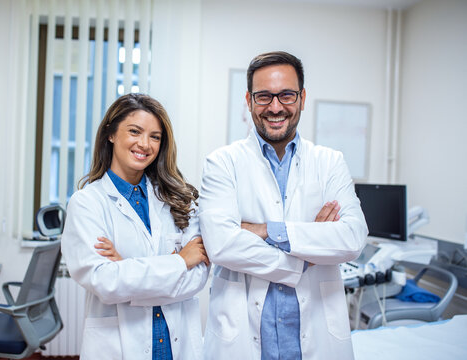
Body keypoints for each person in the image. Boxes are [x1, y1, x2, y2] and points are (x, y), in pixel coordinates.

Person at [199, 51, 368, 360]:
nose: (275, 107)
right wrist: (307, 251)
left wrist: (263, 230)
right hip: (242, 342)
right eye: (264, 96)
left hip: (316, 339)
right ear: (248, 101)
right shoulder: (222, 163)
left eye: (286, 95)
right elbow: (222, 245)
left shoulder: (330, 162)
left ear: (302, 98)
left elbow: (353, 237)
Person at [62, 93, 210, 360]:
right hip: (118, 347)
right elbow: (105, 282)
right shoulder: (87, 204)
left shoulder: (179, 199)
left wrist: (125, 267)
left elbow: (197, 277)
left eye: (155, 136)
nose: (145, 144)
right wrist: (178, 262)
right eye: (135, 131)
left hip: (177, 346)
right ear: (111, 134)